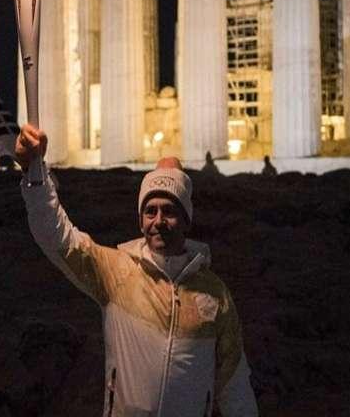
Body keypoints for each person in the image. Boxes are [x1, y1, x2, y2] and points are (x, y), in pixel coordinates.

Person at [15, 124, 258, 416]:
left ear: (186, 220)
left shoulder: (214, 294)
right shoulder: (116, 272)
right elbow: (56, 236)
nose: (159, 221)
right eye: (150, 211)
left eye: (169, 211)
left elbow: (234, 385)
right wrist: (34, 174)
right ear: (141, 221)